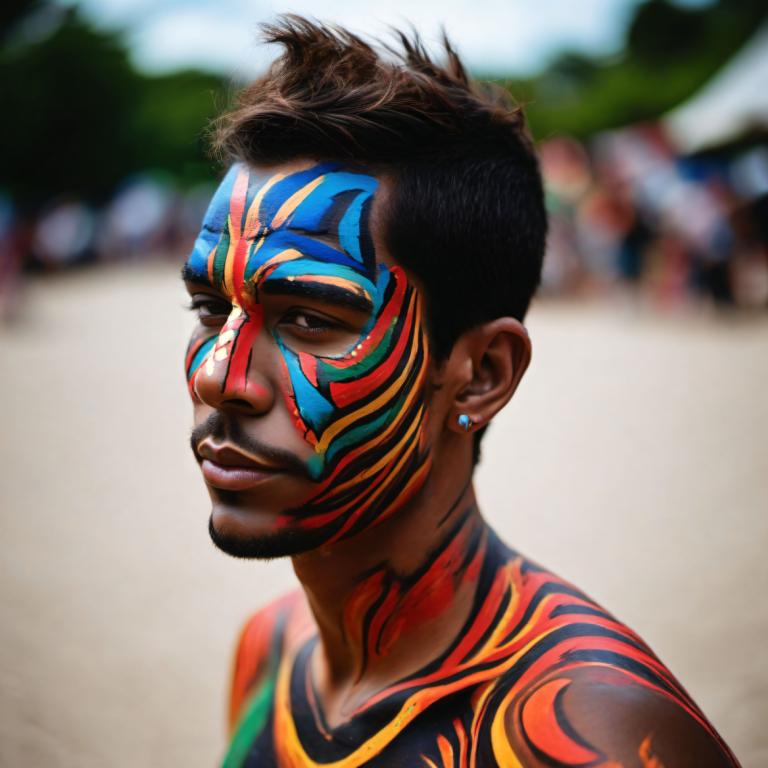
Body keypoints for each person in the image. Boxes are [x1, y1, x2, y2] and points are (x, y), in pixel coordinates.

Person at [182, 16, 740, 767]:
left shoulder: (595, 742)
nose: (218, 374)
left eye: (310, 318)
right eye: (212, 309)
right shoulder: (271, 649)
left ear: (483, 374)